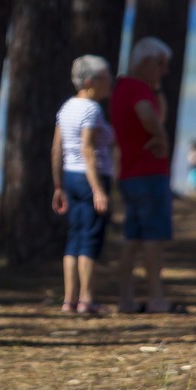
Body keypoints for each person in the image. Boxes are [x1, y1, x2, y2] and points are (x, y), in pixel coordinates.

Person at [112, 37, 177, 313]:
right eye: (161, 64)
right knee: (153, 236)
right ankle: (155, 295)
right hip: (147, 173)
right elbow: (149, 117)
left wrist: (158, 90)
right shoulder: (136, 90)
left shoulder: (125, 88)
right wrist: (161, 140)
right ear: (146, 62)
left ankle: (125, 296)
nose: (165, 70)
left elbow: (157, 115)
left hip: (131, 173)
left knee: (133, 236)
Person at [51, 55, 115, 315]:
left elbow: (57, 148)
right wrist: (98, 189)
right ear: (90, 81)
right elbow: (87, 149)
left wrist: (58, 185)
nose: (110, 82)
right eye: (105, 78)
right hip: (91, 177)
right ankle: (87, 300)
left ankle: (69, 299)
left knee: (74, 239)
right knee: (90, 238)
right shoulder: (91, 109)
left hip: (70, 176)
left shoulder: (66, 107)